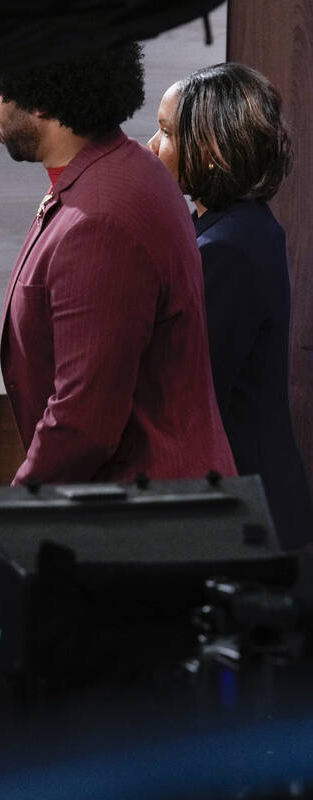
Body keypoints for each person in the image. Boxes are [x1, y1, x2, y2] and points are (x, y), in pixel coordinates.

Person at [0, 42, 235, 485]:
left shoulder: (100, 215)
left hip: (145, 518)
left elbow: (84, 420)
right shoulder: (121, 170)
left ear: (40, 100)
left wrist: (15, 505)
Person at [148, 63, 313, 550]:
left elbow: (189, 395)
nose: (152, 147)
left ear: (213, 150)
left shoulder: (225, 248)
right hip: (250, 494)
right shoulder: (239, 226)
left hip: (245, 505)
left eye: (164, 132)